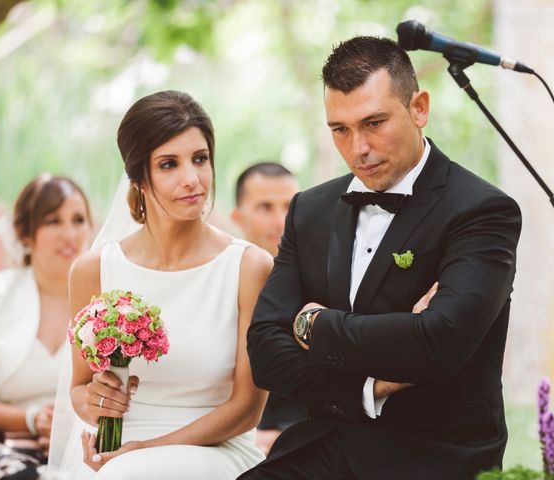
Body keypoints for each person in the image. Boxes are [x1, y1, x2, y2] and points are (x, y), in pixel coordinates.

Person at [242, 36, 522, 479]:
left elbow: (438, 342)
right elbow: (264, 353)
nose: (358, 148)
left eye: (374, 123)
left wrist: (314, 325)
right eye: (340, 129)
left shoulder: (482, 210)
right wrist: (367, 387)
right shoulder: (309, 209)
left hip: (436, 456)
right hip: (323, 445)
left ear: (419, 108)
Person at [67, 90, 271, 479]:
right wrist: (97, 403)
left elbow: (247, 408)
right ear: (138, 176)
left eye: (200, 159)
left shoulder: (249, 267)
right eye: (168, 164)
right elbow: (78, 388)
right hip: (119, 455)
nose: (192, 179)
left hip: (217, 450)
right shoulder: (93, 269)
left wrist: (143, 450)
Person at [0, 175, 93, 479]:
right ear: (25, 232)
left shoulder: (107, 299)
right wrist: (33, 419)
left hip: (88, 448)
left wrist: (73, 431)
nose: (69, 234)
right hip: (8, 447)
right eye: (53, 221)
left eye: (78, 220)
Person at [231, 163, 304, 454]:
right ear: (237, 217)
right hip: (232, 439)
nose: (281, 220)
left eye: (289, 206)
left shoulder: (326, 280)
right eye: (265, 207)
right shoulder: (220, 280)